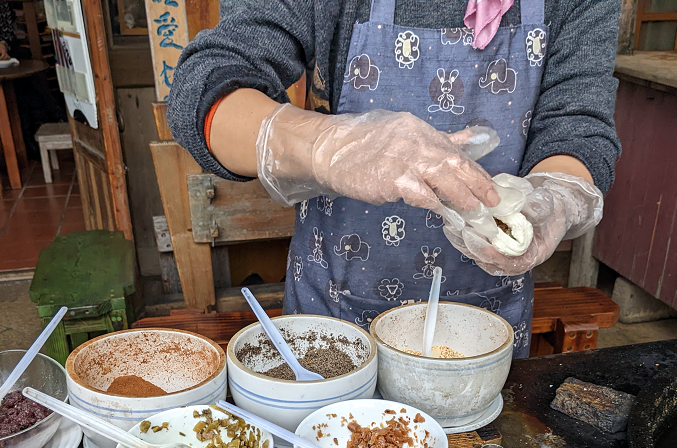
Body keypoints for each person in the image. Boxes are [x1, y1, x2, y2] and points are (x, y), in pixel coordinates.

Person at [167, 0, 620, 357]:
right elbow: (204, 89)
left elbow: (577, 125)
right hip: (337, 320)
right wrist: (329, 144)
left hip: (483, 330)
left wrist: (555, 199)